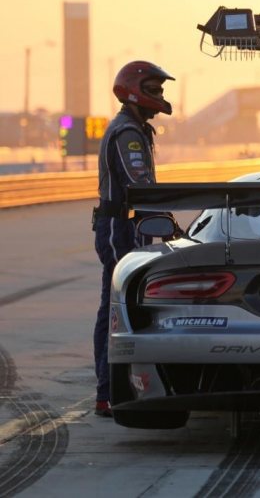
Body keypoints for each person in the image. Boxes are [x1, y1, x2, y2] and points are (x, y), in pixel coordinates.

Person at [92, 60, 175, 417]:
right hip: (120, 229)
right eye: (153, 90)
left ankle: (114, 390)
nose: (160, 97)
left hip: (129, 226)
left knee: (124, 307)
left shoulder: (136, 127)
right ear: (133, 91)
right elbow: (140, 185)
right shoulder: (127, 132)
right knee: (117, 309)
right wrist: (168, 217)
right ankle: (107, 392)